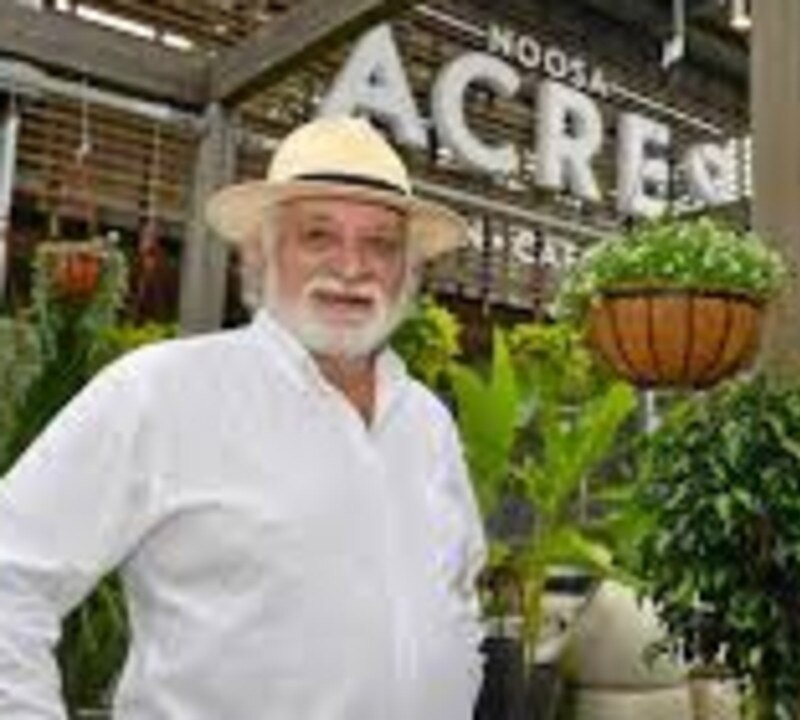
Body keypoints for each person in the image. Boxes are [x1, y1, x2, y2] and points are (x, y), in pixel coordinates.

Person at [0, 116, 487, 719]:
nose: (352, 267)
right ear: (260, 253)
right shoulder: (163, 392)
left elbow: (458, 594)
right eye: (318, 235)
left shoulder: (427, 422)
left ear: (408, 270)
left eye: (382, 244)